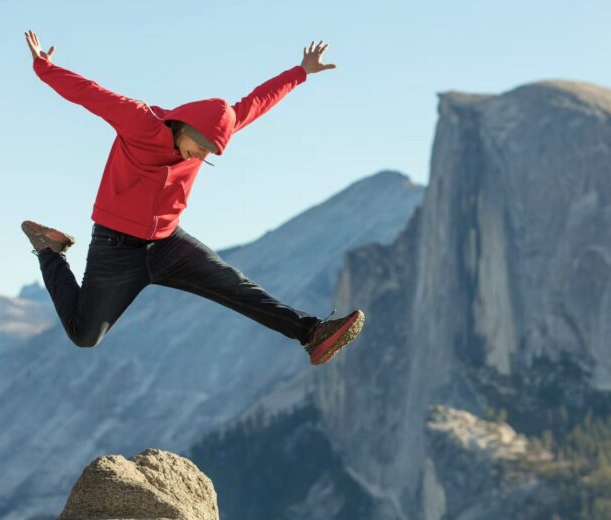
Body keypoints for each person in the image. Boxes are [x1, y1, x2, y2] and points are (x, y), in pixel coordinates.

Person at [21, 30, 364, 365]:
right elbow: (90, 93)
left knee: (237, 288)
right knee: (84, 336)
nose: (199, 157)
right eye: (200, 148)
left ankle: (312, 333)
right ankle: (49, 250)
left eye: (208, 154)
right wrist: (44, 68)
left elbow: (256, 103)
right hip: (116, 248)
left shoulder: (213, 133)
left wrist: (301, 71)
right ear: (187, 125)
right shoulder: (140, 121)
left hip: (169, 243)